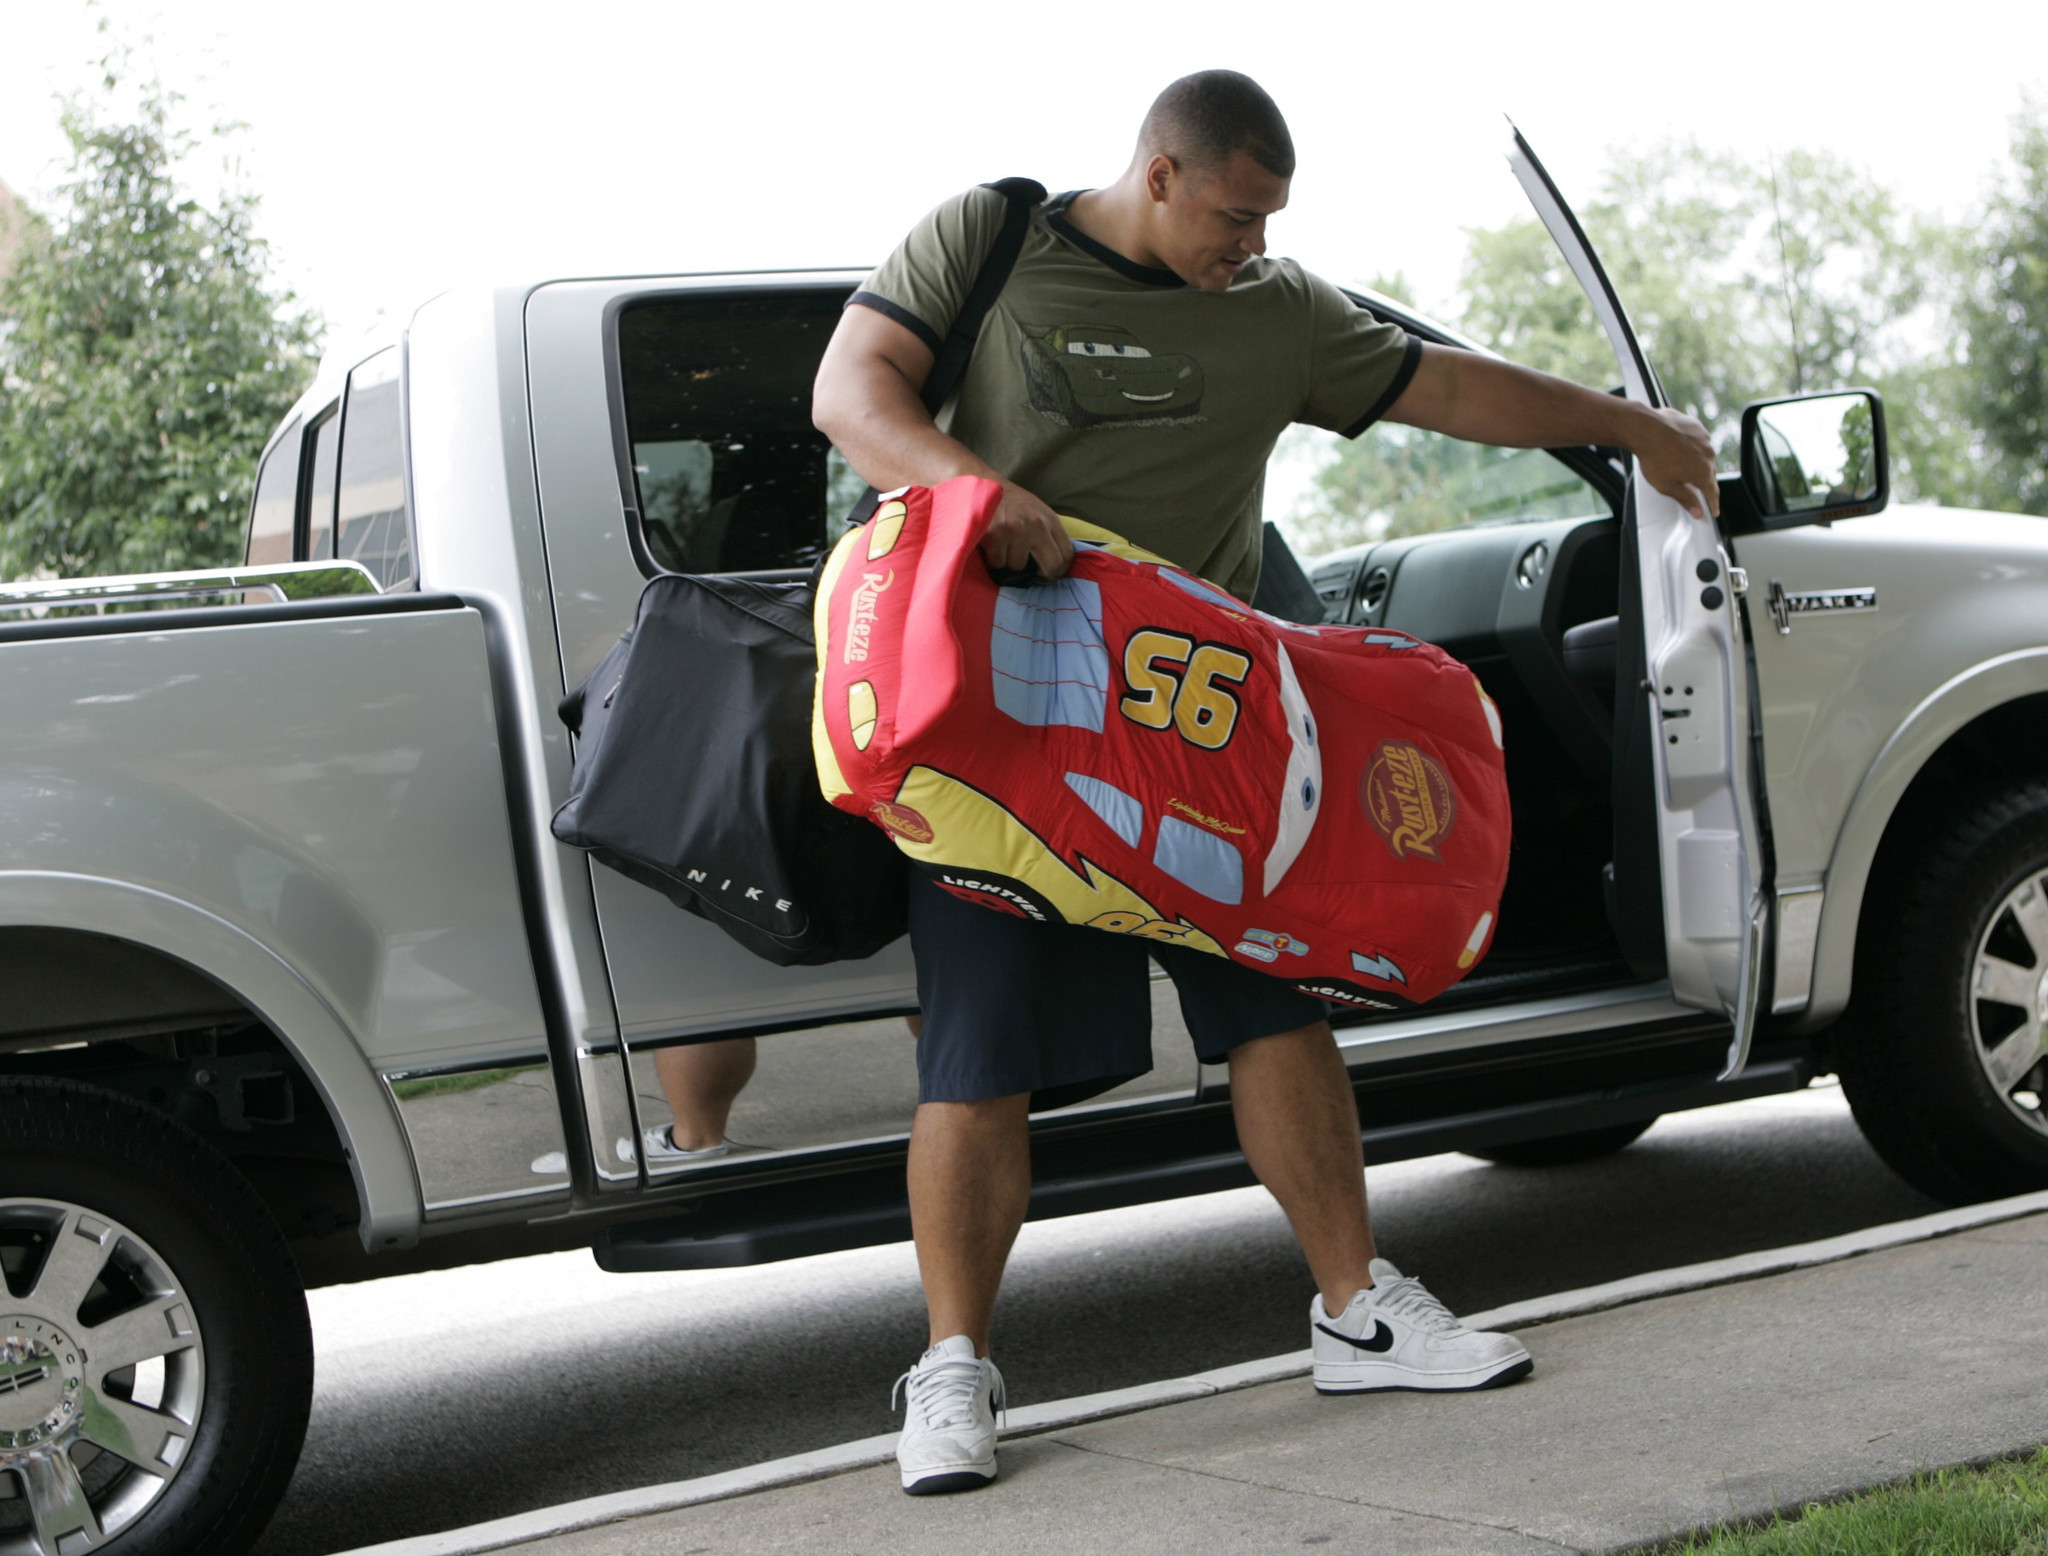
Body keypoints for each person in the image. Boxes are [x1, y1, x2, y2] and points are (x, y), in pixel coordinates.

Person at [811, 69, 1718, 1497]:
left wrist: (1628, 425)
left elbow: (1445, 385)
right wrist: (975, 491)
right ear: (1161, 173)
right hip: (1008, 733)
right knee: (977, 1061)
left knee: (1276, 1010)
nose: (1252, 244)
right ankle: (953, 1371)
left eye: (1270, 222)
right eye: (1234, 216)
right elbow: (849, 389)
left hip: (1207, 730)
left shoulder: (1279, 311)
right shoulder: (990, 238)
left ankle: (1356, 1312)